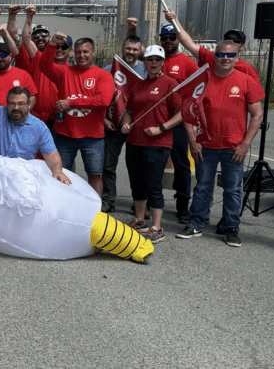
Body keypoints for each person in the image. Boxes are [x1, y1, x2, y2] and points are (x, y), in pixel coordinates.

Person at [175, 40, 263, 247]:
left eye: (230, 55)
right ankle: (195, 224)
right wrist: (193, 140)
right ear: (214, 57)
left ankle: (231, 228)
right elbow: (188, 112)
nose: (225, 58)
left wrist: (245, 144)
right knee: (203, 186)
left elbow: (257, 116)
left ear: (237, 57)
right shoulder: (202, 81)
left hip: (234, 148)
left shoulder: (246, 81)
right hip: (205, 146)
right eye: (221, 55)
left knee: (232, 189)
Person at [119, 45, 183, 243]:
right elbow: (130, 109)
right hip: (134, 141)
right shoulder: (138, 84)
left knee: (153, 185)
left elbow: (182, 113)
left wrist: (161, 128)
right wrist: (126, 122)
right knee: (136, 182)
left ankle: (157, 226)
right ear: (144, 62)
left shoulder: (170, 83)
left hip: (157, 143)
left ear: (163, 62)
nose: (153, 63)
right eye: (149, 59)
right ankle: (140, 220)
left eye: (157, 59)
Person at [38, 33, 114, 196]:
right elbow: (43, 66)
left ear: (93, 52)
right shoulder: (64, 72)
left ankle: (95, 212)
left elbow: (103, 101)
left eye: (86, 51)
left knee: (94, 175)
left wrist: (70, 103)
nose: (82, 55)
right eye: (79, 52)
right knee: (61, 172)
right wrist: (51, 45)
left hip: (93, 137)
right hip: (66, 134)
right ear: (73, 52)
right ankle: (64, 208)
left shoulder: (103, 75)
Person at [0, 57, 66, 179]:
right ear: (7, 104)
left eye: (21, 104)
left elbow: (52, 154)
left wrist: (57, 171)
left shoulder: (39, 127)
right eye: (12, 103)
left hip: (21, 179)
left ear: (29, 104)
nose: (16, 108)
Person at [158, 22, 200, 222]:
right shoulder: (155, 59)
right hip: (156, 122)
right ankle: (151, 201)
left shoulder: (187, 63)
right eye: (164, 38)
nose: (168, 41)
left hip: (178, 125)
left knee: (181, 165)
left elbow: (195, 96)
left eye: (172, 37)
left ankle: (183, 204)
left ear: (178, 40)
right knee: (153, 164)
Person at [100, 33, 146, 213]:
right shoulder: (108, 69)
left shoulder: (145, 69)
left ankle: (140, 204)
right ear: (122, 48)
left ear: (140, 51)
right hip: (112, 125)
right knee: (108, 165)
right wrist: (103, 119)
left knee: (138, 168)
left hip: (137, 126)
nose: (131, 52)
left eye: (135, 49)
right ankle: (108, 200)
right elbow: (101, 98)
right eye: (128, 48)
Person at [163, 10, 261, 83]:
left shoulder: (247, 69)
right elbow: (189, 44)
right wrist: (174, 21)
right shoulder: (212, 58)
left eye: (236, 40)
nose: (232, 42)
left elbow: (255, 99)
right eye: (228, 39)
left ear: (242, 46)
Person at [15, 6, 69, 129]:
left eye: (44, 34)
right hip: (37, 118)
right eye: (37, 35)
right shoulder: (39, 58)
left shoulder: (68, 66)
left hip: (58, 119)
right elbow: (26, 40)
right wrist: (29, 16)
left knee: (55, 148)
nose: (40, 37)